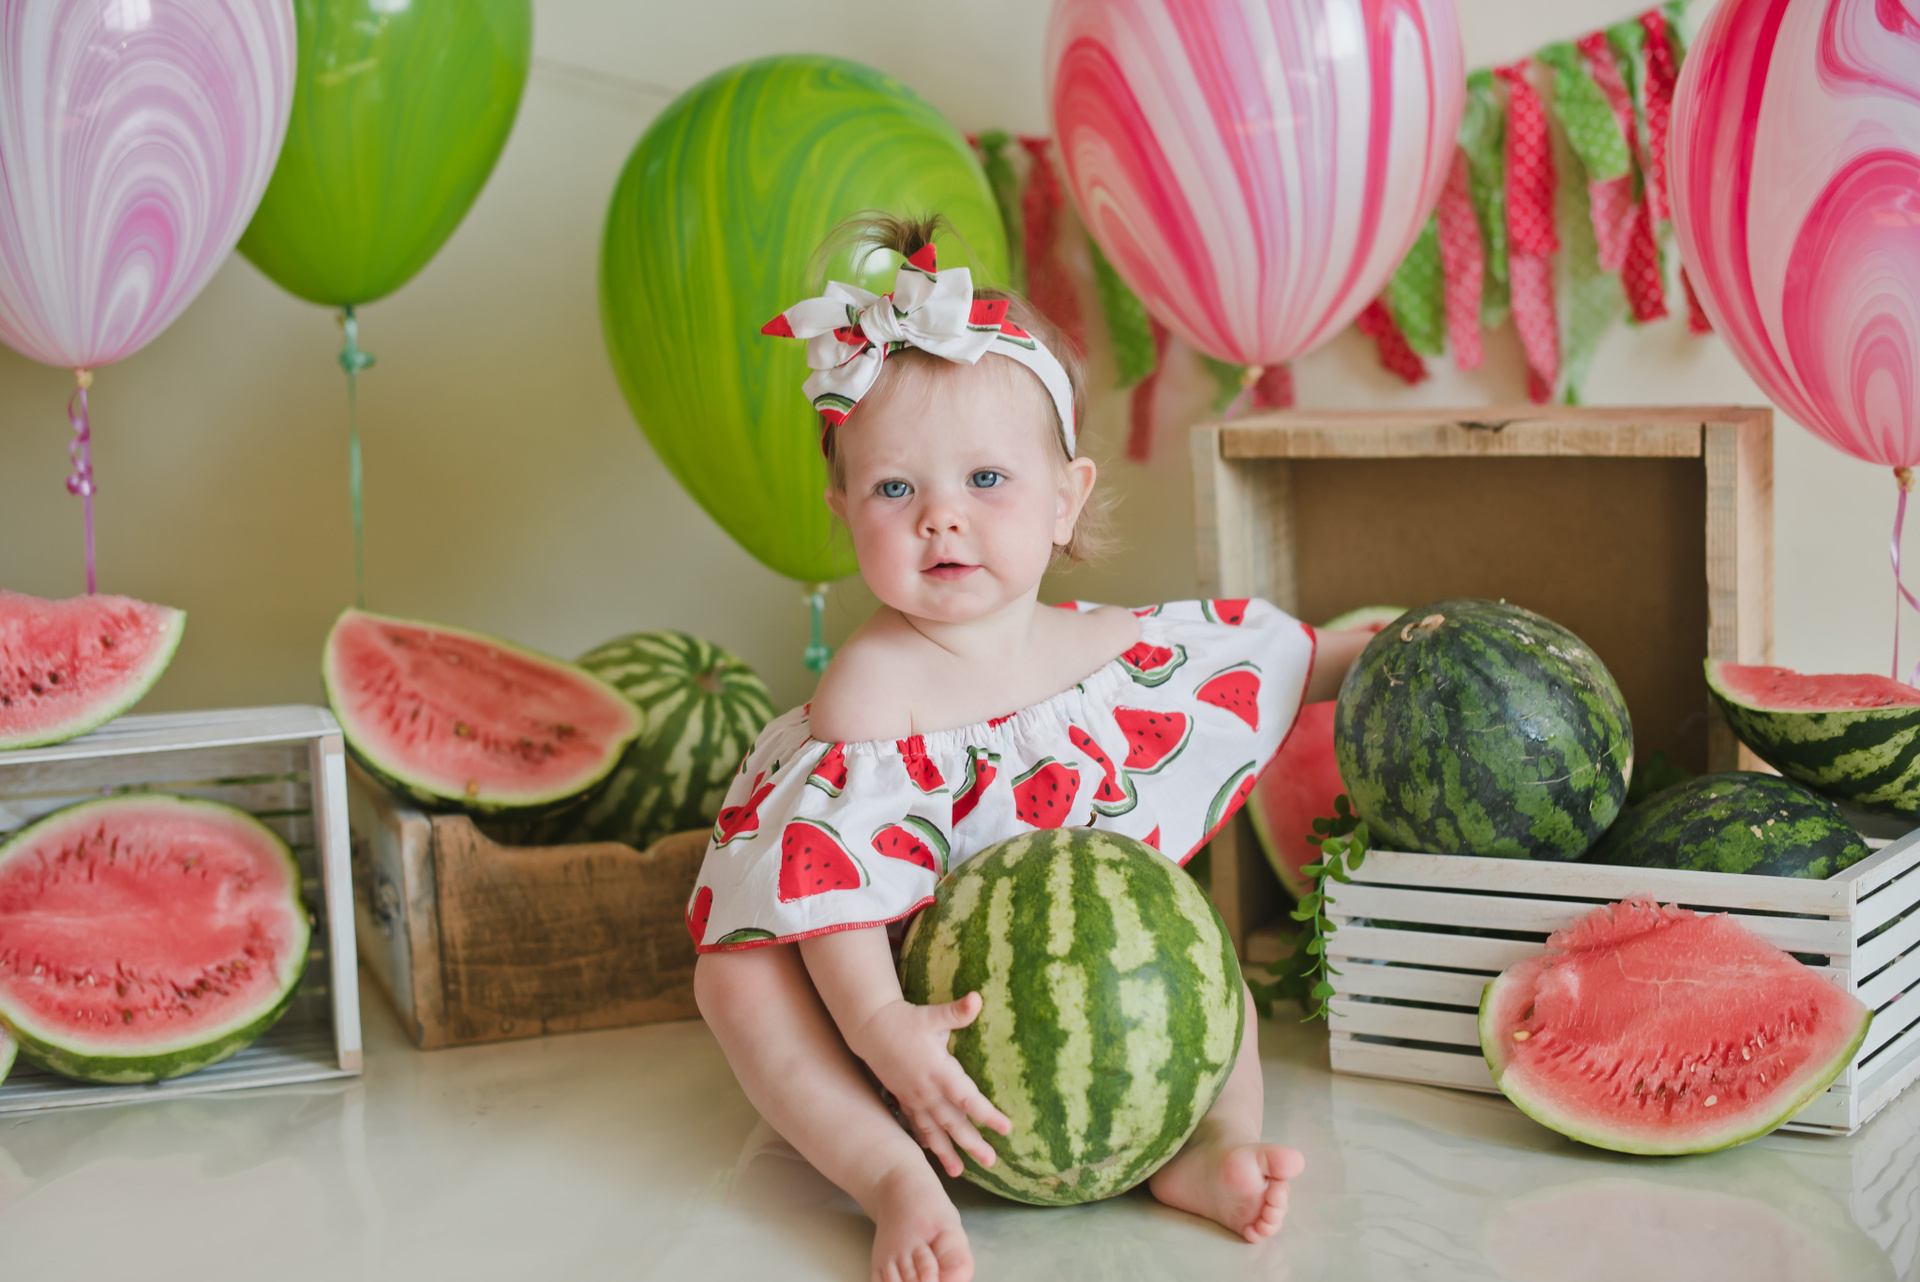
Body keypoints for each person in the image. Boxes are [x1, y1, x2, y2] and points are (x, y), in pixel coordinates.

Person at [691, 213, 1372, 1282]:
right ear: (845, 512)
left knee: (1200, 957)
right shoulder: (869, 694)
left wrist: (1356, 657)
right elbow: (835, 889)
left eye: (986, 481)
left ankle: (1208, 1142)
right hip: (910, 1043)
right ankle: (890, 1176)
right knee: (735, 985)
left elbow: (1239, 659)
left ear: (1066, 500)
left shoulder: (1103, 648)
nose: (941, 519)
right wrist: (880, 1026)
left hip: (1100, 997)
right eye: (895, 489)